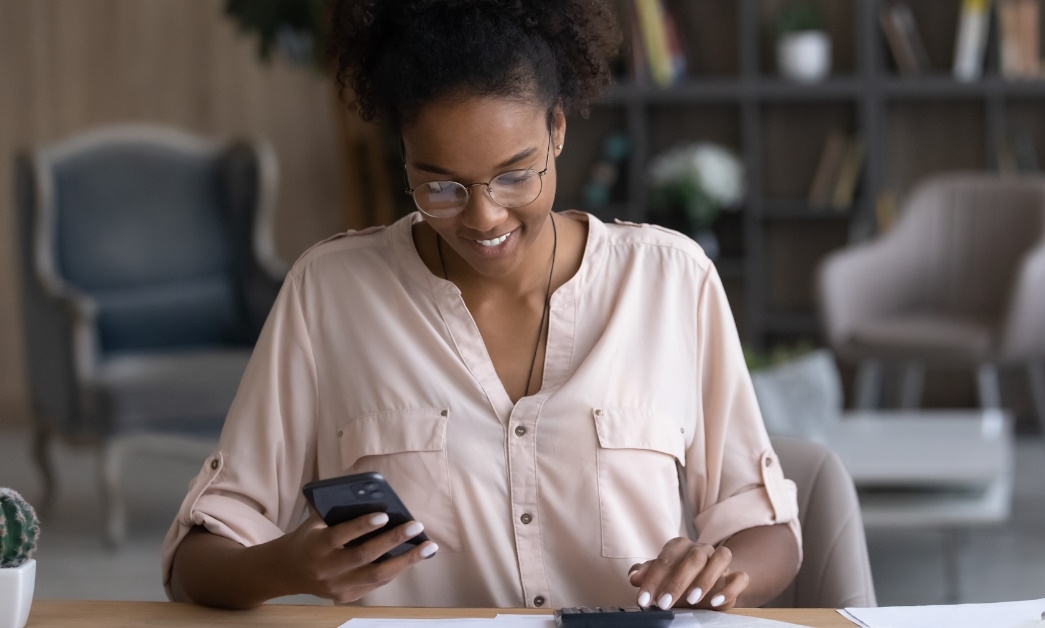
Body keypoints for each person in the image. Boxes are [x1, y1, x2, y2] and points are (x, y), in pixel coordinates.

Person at [163, 0, 801, 611]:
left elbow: (768, 531)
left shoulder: (670, 282)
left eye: (515, 175)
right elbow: (195, 561)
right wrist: (286, 566)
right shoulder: (329, 295)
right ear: (403, 156)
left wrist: (720, 573)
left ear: (556, 129)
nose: (483, 215)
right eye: (439, 185)